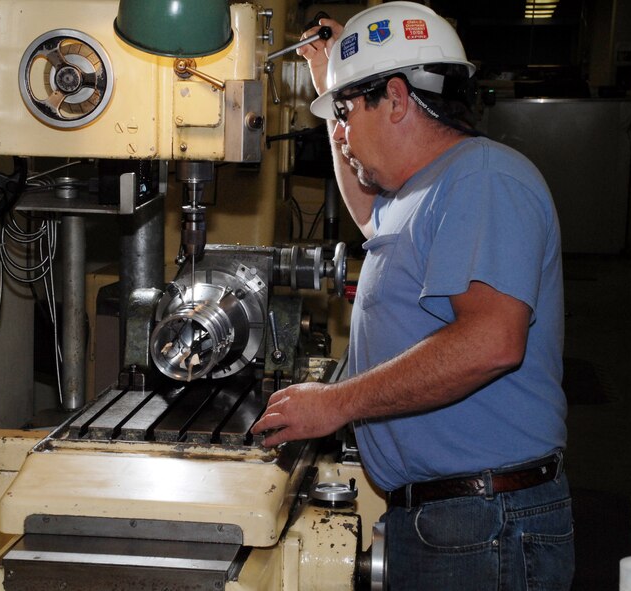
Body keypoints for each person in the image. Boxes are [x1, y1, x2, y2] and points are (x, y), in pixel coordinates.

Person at [251, 2, 575, 589]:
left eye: (347, 113)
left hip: (483, 523)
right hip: (449, 517)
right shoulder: (418, 192)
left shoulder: (482, 179)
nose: (340, 133)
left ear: (396, 99)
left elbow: (492, 341)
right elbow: (370, 216)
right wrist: (331, 89)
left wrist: (336, 403)